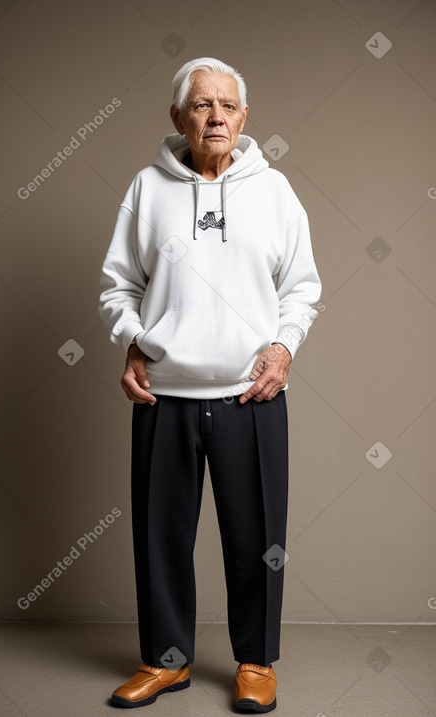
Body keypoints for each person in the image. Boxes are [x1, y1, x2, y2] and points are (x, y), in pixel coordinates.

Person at [99, 57, 322, 713]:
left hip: (252, 394)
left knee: (258, 539)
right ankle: (166, 660)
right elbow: (120, 283)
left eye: (227, 104)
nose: (216, 115)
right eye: (201, 105)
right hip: (164, 394)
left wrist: (284, 347)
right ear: (178, 117)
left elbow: (302, 287)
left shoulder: (275, 192)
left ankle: (256, 661)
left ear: (245, 117)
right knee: (160, 533)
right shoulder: (147, 188)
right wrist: (134, 339)